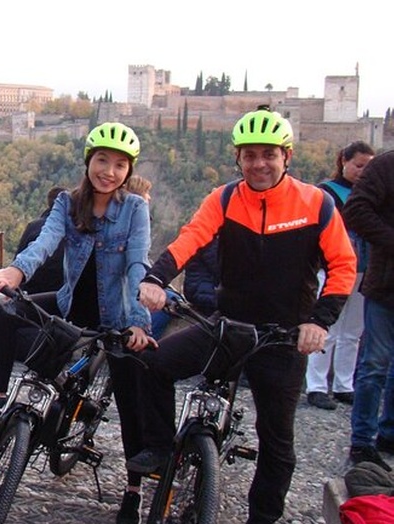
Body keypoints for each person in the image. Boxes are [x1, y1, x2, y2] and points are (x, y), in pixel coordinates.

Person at [129, 106, 356, 524]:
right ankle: (161, 448)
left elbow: (343, 266)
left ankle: (262, 518)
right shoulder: (226, 197)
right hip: (227, 326)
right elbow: (191, 239)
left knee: (277, 443)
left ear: (287, 157)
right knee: (155, 364)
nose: (259, 164)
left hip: (284, 337)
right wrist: (157, 278)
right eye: (249, 155)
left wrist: (319, 321)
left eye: (268, 154)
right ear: (239, 158)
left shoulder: (316, 203)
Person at [0, 122, 154, 524]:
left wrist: (139, 322)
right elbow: (45, 243)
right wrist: (16, 272)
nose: (108, 172)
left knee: (131, 400)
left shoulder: (135, 208)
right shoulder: (68, 202)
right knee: (8, 314)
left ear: (128, 170)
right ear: (88, 162)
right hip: (69, 303)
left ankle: (133, 490)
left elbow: (136, 264)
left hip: (115, 315)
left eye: (118, 164)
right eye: (101, 161)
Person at [307, 141, 375, 410]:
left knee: (353, 331)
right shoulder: (327, 194)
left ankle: (344, 384)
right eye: (358, 166)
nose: (362, 172)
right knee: (328, 327)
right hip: (334, 268)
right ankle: (316, 385)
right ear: (344, 161)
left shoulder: (371, 194)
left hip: (364, 269)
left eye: (367, 167)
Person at [343, 148, 394, 470]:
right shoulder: (386, 166)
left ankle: (389, 432)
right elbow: (356, 211)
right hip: (387, 284)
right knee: (374, 364)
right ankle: (362, 441)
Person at [16, 185, 66, 295]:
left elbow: (20, 254)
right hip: (60, 290)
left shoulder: (33, 226)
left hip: (31, 289)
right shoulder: (75, 229)